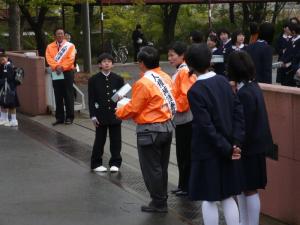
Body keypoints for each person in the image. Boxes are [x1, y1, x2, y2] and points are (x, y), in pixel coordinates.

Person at [186, 43, 245, 225]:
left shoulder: (195, 91)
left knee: (209, 198)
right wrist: (235, 143)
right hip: (229, 147)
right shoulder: (222, 81)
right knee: (228, 196)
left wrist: (228, 148)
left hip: (208, 151)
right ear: (210, 61)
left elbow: (206, 127)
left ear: (191, 65)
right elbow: (238, 112)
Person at [116, 46, 175, 213]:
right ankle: (162, 198)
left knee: (151, 168)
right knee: (161, 167)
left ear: (141, 63)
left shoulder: (143, 83)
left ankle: (158, 202)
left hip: (150, 130)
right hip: (167, 127)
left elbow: (134, 108)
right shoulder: (165, 76)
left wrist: (119, 112)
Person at [227, 51, 273, 225]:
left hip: (248, 148)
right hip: (256, 146)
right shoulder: (253, 86)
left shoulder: (244, 93)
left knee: (249, 189)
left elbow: (242, 125)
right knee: (246, 189)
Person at [168, 41, 196, 197]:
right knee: (183, 154)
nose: (170, 58)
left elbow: (185, 97)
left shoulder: (184, 72)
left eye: (172, 55)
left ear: (182, 56)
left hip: (185, 118)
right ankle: (184, 185)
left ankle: (187, 186)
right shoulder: (182, 71)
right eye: (169, 55)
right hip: (183, 118)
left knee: (184, 154)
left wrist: (172, 107)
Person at [88, 53, 124, 172]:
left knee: (116, 140)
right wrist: (93, 115)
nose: (107, 63)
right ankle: (96, 163)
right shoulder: (93, 80)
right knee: (99, 140)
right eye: (104, 61)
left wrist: (121, 102)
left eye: (109, 61)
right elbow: (91, 99)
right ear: (99, 64)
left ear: (112, 64)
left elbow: (123, 97)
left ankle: (115, 163)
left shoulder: (118, 79)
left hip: (115, 114)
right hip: (100, 114)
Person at [46, 28, 76, 126]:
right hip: (56, 72)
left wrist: (62, 67)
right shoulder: (50, 47)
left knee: (68, 95)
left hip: (67, 72)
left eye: (61, 33)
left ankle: (69, 117)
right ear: (55, 35)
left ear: (64, 35)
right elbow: (49, 59)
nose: (60, 35)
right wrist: (56, 67)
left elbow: (71, 58)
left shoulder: (70, 46)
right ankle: (59, 118)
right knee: (58, 95)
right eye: (58, 34)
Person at [0, 53, 20, 127]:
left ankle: (14, 120)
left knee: (12, 104)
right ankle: (8, 119)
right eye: (0, 60)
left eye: (3, 59)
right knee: (6, 103)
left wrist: (1, 81)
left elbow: (9, 78)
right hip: (7, 87)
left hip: (10, 88)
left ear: (7, 58)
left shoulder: (9, 66)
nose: (2, 60)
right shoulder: (5, 66)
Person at [280, 22, 300, 87]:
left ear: (293, 32)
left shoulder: (299, 41)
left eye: (289, 30)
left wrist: (286, 62)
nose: (287, 31)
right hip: (285, 67)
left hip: (293, 68)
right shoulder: (291, 39)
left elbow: (296, 55)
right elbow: (286, 52)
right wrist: (282, 60)